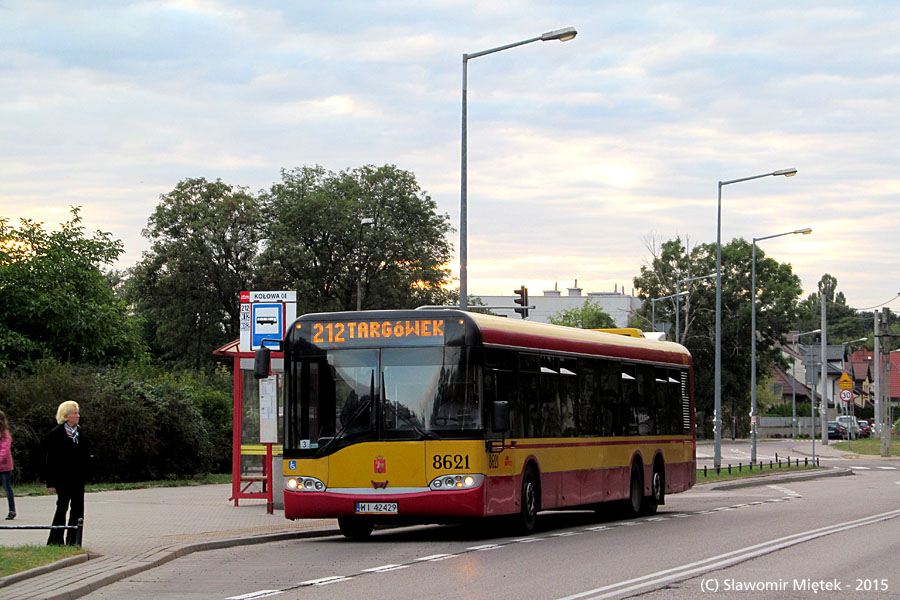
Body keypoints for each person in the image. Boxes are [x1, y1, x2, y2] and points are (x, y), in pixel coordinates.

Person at [43, 401, 90, 545]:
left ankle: (73, 540)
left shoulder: (80, 433)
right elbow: (50, 460)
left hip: (78, 479)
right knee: (62, 507)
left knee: (77, 510)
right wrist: (50, 482)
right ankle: (55, 540)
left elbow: (85, 455)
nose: (78, 416)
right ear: (66, 416)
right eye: (75, 413)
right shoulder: (55, 434)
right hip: (62, 479)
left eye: (77, 413)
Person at [0, 411, 15, 520]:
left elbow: (4, 450)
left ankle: (12, 510)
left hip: (4, 467)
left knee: (7, 487)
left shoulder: (5, 434)